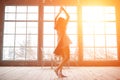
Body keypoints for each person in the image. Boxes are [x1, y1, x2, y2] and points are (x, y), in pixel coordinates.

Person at [54, 6, 71, 78]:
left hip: (60, 41)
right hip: (64, 41)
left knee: (63, 57)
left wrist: (59, 13)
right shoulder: (63, 26)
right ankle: (57, 69)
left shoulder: (57, 26)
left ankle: (60, 73)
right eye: (63, 20)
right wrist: (63, 10)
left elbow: (55, 19)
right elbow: (68, 16)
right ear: (63, 21)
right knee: (67, 57)